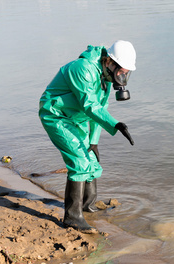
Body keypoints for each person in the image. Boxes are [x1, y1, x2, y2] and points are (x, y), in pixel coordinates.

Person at [39, 40, 136, 234]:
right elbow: (90, 105)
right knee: (79, 162)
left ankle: (86, 206)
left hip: (77, 118)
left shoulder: (105, 77)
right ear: (109, 61)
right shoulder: (82, 69)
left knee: (91, 160)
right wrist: (115, 124)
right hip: (56, 115)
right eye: (121, 72)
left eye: (125, 73)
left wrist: (94, 141)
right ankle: (72, 217)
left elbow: (101, 108)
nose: (122, 77)